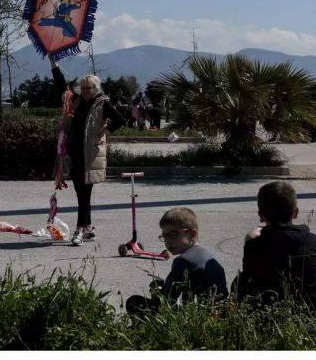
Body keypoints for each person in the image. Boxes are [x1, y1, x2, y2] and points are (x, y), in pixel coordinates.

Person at [50, 56, 125, 246]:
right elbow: (62, 87)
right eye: (82, 88)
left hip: (90, 155)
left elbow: (120, 119)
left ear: (96, 88)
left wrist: (105, 131)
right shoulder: (76, 101)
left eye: (88, 88)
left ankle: (79, 230)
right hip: (74, 153)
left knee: (84, 194)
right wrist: (54, 65)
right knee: (80, 193)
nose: (84, 91)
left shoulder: (102, 103)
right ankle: (89, 226)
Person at [236, 181, 316, 327]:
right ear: (295, 212)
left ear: (261, 215)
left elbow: (249, 280)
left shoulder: (255, 245)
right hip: (311, 319)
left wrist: (249, 241)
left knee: (240, 281)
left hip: (267, 320)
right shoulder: (312, 241)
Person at [126, 207, 228, 316]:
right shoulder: (210, 258)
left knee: (134, 302)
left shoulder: (182, 261)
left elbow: (167, 300)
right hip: (219, 316)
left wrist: (156, 291)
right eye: (164, 236)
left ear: (193, 234)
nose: (168, 241)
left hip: (194, 319)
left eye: (173, 235)